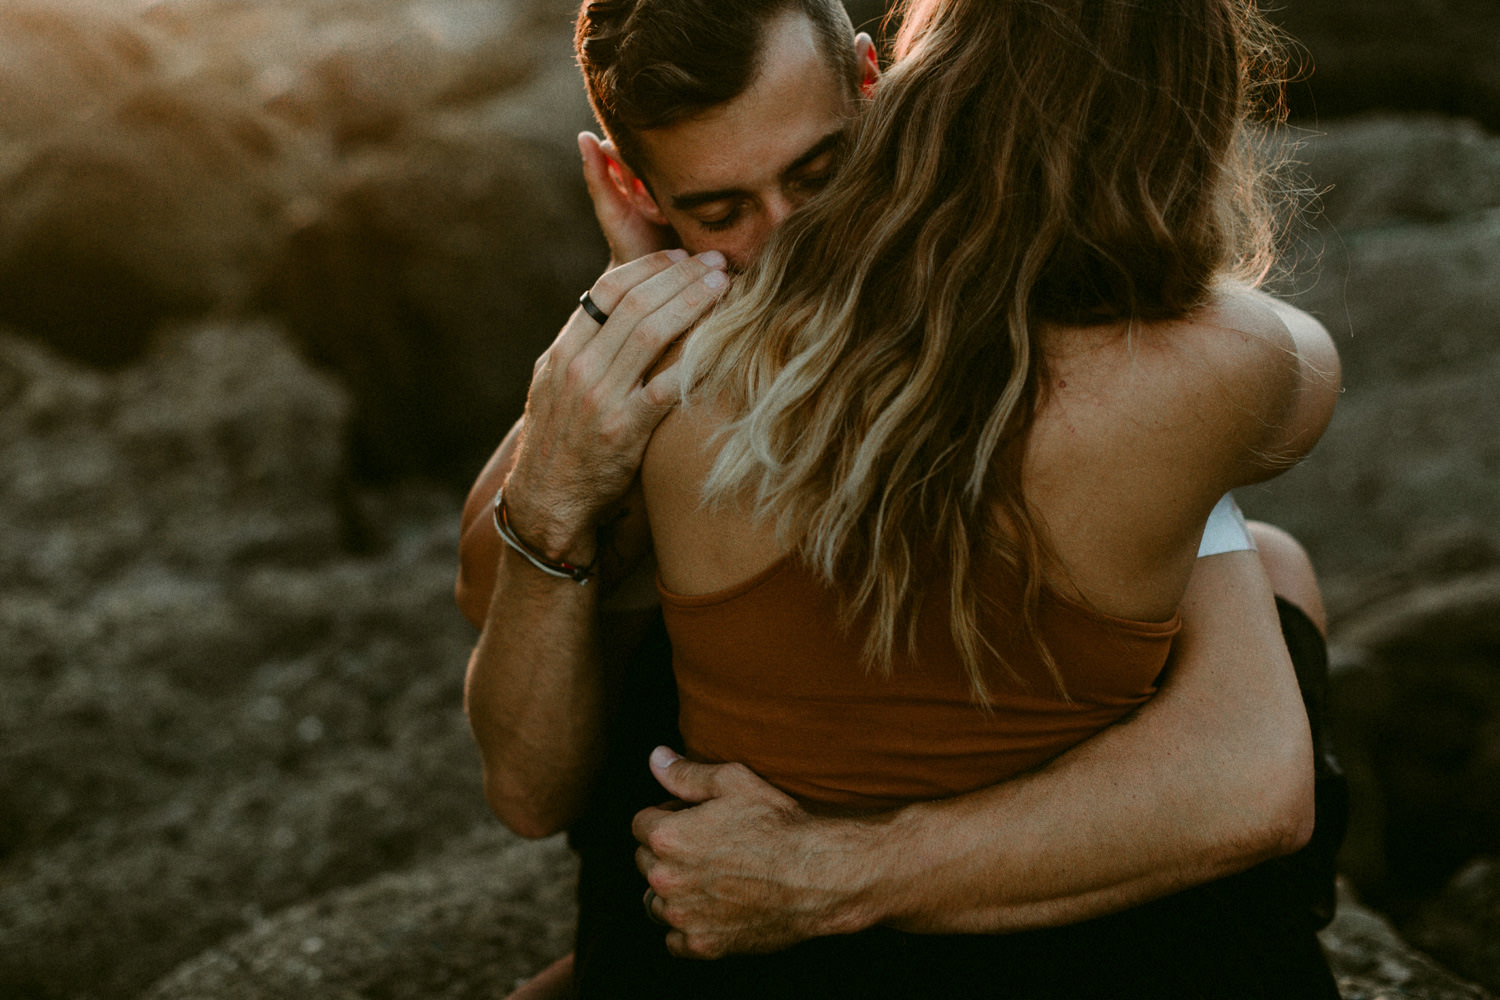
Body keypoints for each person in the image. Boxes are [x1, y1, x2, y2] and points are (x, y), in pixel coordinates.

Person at [456, 0, 1345, 996]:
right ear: (641, 191)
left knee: (1260, 560)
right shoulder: (1232, 362)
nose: (789, 243)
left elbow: (1258, 776)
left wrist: (826, 871)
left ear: (881, 91)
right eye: (721, 210)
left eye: (818, 173)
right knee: (1255, 563)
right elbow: (496, 607)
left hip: (809, 905)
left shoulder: (691, 379)